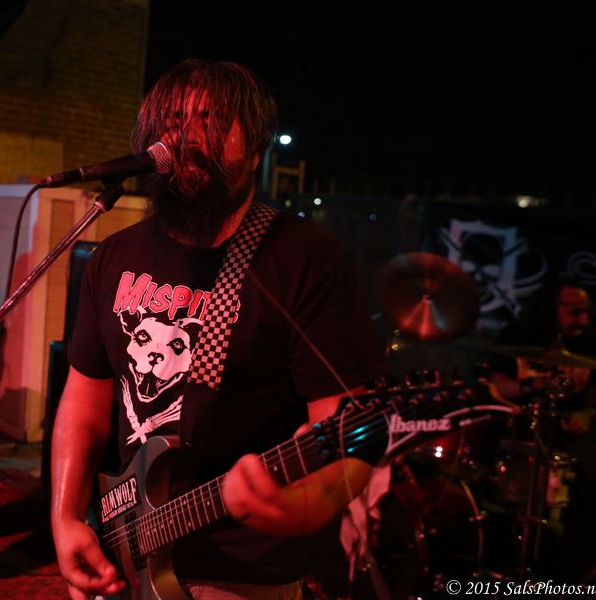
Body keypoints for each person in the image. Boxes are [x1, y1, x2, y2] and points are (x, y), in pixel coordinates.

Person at [50, 59, 385, 599]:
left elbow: (351, 431)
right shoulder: (114, 255)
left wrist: (296, 509)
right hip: (125, 539)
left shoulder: (304, 258)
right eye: (173, 120)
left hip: (242, 571)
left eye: (210, 120)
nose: (187, 136)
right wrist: (66, 517)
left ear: (254, 149)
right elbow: (85, 395)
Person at [490, 277, 596, 579]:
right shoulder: (517, 334)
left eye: (585, 312)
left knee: (595, 487)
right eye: (575, 312)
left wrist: (587, 411)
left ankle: (570, 578)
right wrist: (540, 384)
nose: (583, 320)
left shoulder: (589, 342)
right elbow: (499, 386)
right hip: (520, 431)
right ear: (550, 308)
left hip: (566, 438)